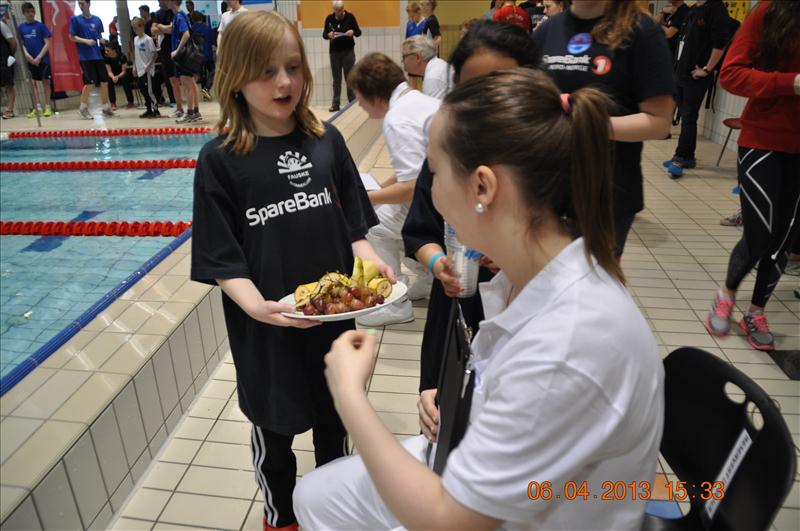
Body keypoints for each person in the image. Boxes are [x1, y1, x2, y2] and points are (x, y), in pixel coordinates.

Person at [293, 67, 664, 531]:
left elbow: (450, 521)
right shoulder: (529, 274)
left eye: (435, 173)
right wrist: (466, 401)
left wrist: (349, 395)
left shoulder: (568, 343)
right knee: (314, 495)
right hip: (491, 470)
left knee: (323, 503)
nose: (431, 194)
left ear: (483, 187)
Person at [191, 11, 391, 531]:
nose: (284, 82)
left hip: (330, 323)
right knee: (274, 436)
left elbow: (353, 227)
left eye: (293, 67)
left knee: (334, 426)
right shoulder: (220, 160)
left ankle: (334, 512)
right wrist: (257, 307)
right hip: (267, 333)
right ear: (235, 77)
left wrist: (370, 261)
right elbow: (221, 257)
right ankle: (281, 519)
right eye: (266, 72)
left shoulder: (327, 141)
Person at [403, 19, 542, 428]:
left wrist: (517, 260)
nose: (486, 103)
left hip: (520, 312)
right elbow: (420, 229)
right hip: (457, 305)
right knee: (442, 415)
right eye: (472, 89)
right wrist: (438, 264)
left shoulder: (546, 161)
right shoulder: (448, 154)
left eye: (502, 85)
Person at [534, 0, 674, 257]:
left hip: (607, 191)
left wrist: (587, 123)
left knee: (590, 278)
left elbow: (659, 122)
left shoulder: (640, 31)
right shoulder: (547, 30)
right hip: (548, 187)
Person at [704, 0, 800, 351]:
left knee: (784, 238)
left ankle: (756, 312)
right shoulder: (770, 12)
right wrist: (790, 83)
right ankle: (726, 294)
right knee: (760, 235)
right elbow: (731, 74)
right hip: (764, 139)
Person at [347, 53, 440, 326]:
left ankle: (394, 303)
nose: (360, 105)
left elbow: (411, 188)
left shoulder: (397, 118)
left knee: (372, 224)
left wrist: (367, 198)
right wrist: (378, 190)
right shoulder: (418, 101)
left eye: (360, 98)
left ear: (375, 95)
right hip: (446, 197)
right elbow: (412, 172)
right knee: (383, 210)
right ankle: (428, 279)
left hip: (440, 210)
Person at [663, 0, 730, 179]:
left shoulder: (716, 9)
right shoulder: (693, 9)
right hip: (681, 72)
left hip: (696, 74)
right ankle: (688, 157)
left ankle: (679, 157)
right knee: (686, 116)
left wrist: (707, 69)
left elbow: (720, 44)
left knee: (689, 117)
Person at [69, 0, 113, 119]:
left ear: (89, 4)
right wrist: (85, 41)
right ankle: (83, 108)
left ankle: (105, 107)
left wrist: (104, 42)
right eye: (79, 4)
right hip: (85, 56)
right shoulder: (75, 19)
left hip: (97, 55)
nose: (81, 6)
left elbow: (99, 37)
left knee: (104, 81)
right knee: (89, 82)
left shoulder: (97, 20)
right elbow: (71, 37)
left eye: (83, 3)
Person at [164, 0, 201, 123]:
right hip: (185, 55)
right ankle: (195, 111)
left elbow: (186, 34)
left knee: (187, 84)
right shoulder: (180, 16)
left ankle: (190, 113)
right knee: (191, 83)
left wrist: (177, 50)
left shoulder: (179, 17)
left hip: (183, 56)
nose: (166, 3)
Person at [323, 1, 361, 112]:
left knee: (349, 77)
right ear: (334, 10)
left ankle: (352, 102)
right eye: (337, 11)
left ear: (343, 8)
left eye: (340, 10)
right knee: (336, 79)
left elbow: (359, 32)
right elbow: (324, 34)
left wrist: (352, 31)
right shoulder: (329, 19)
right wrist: (328, 35)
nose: (339, 13)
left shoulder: (350, 17)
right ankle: (335, 104)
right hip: (334, 53)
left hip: (348, 52)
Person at [18, 2, 52, 117]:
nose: (30, 14)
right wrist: (27, 55)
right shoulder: (21, 28)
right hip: (30, 60)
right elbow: (21, 44)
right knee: (32, 83)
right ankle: (37, 108)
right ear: (23, 13)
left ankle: (48, 107)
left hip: (42, 59)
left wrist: (39, 57)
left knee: (45, 82)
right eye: (28, 12)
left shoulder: (41, 26)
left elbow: (47, 43)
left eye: (32, 11)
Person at [151, 0, 178, 111]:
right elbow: (153, 30)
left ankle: (182, 104)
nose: (158, 3)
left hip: (176, 49)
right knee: (169, 79)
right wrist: (164, 28)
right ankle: (174, 101)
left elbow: (172, 30)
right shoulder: (158, 14)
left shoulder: (174, 12)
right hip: (164, 51)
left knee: (178, 79)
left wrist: (160, 26)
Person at [132, 16, 160, 118]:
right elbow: (135, 54)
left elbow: (155, 54)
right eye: (133, 28)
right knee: (143, 90)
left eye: (136, 27)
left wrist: (149, 65)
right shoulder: (135, 39)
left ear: (142, 27)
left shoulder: (148, 39)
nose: (135, 30)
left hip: (147, 69)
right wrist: (134, 66)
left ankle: (156, 110)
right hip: (139, 69)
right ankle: (148, 109)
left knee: (149, 91)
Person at [190, 10, 215, 99]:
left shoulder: (191, 29)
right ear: (201, 18)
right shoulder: (207, 28)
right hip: (207, 54)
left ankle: (204, 93)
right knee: (212, 72)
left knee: (202, 74)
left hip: (196, 56)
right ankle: (206, 89)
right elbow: (213, 40)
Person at [104, 42, 135, 111]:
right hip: (113, 75)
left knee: (125, 80)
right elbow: (109, 71)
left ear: (113, 50)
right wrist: (113, 77)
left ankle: (130, 101)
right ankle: (113, 103)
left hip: (122, 74)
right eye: (105, 50)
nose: (106, 52)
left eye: (108, 50)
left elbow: (124, 71)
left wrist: (117, 77)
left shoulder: (122, 56)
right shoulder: (106, 58)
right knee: (109, 82)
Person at [0, 3, 15, 119]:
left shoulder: (1, 25)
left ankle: (10, 110)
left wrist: (10, 55)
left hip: (5, 60)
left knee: (9, 85)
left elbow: (12, 42)